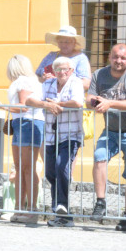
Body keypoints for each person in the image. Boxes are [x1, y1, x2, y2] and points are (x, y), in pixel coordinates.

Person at [87, 44, 126, 232]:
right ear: (109, 57)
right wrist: (95, 103)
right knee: (99, 157)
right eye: (115, 57)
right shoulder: (99, 74)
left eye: (123, 58)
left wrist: (109, 103)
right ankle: (100, 202)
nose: (118, 61)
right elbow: (89, 99)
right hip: (110, 130)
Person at [0, 54, 46, 224]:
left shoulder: (23, 82)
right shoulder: (28, 81)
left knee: (27, 167)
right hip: (22, 123)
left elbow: (24, 106)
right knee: (21, 167)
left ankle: (31, 209)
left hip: (28, 123)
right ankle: (20, 208)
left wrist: (3, 107)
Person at [41, 57, 85, 227]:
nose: (61, 72)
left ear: (71, 70)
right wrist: (46, 105)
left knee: (61, 166)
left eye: (65, 69)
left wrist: (57, 104)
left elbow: (77, 102)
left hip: (71, 134)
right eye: (58, 69)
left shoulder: (76, 82)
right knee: (50, 173)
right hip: (51, 135)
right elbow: (31, 100)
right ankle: (60, 214)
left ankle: (62, 207)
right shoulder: (48, 84)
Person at [37, 26, 91, 91]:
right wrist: (43, 79)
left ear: (74, 42)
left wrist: (61, 80)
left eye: (67, 42)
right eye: (61, 42)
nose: (63, 45)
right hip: (47, 93)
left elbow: (86, 84)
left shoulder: (80, 58)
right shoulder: (51, 56)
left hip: (70, 95)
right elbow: (36, 77)